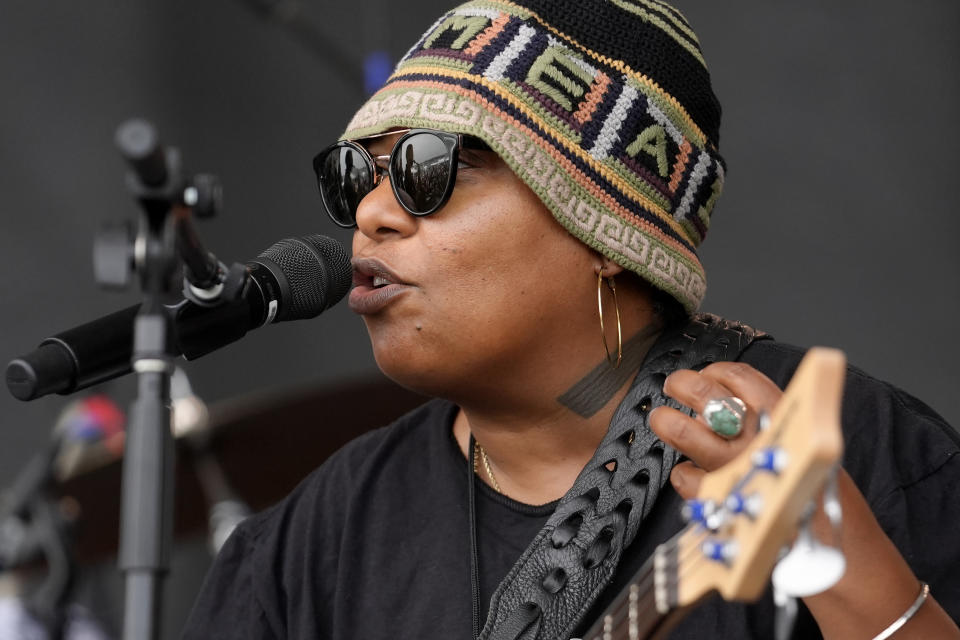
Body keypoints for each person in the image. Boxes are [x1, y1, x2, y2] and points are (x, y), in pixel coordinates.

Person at [182, 0, 960, 638]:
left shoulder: (860, 451)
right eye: (359, 176)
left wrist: (856, 576)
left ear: (608, 228)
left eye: (426, 168)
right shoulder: (311, 547)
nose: (374, 213)